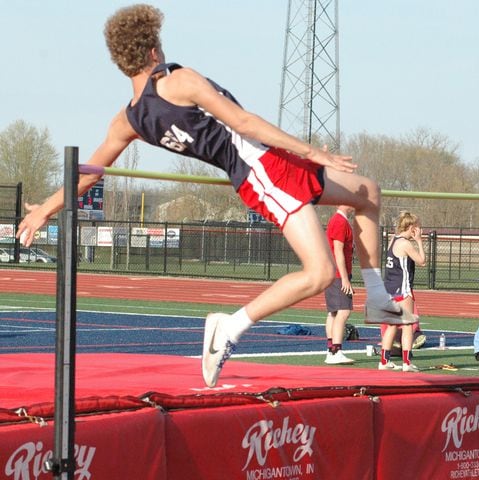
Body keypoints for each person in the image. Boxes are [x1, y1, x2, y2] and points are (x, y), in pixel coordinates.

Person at [16, 4, 406, 388]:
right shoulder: (177, 80)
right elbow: (243, 121)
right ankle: (230, 326)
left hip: (269, 164)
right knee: (320, 273)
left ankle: (375, 297)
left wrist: (44, 212)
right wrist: (311, 151)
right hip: (265, 169)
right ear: (154, 51)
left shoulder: (127, 121)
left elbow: (87, 175)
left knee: (367, 192)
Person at [378, 212, 426, 372]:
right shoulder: (405, 243)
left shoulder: (394, 239)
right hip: (403, 289)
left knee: (392, 326)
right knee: (407, 326)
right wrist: (419, 241)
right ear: (411, 228)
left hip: (390, 288)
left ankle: (384, 361)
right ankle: (407, 362)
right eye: (417, 227)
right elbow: (422, 261)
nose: (419, 230)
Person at [323, 205, 355, 365]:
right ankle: (335, 350)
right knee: (343, 312)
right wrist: (344, 278)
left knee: (334, 313)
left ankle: (331, 350)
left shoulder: (340, 221)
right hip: (337, 274)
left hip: (333, 273)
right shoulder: (339, 222)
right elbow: (338, 251)